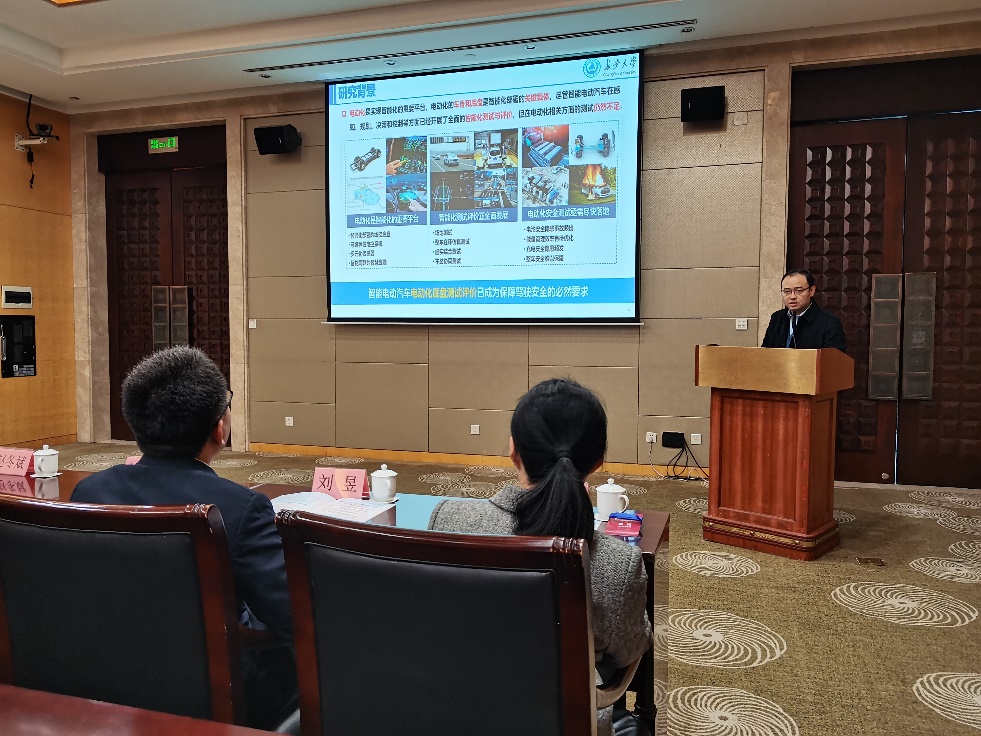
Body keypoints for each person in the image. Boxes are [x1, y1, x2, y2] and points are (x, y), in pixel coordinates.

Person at [71, 346, 296, 730]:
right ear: (220, 429)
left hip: (102, 675)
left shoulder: (89, 492)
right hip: (216, 690)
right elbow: (293, 615)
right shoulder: (239, 508)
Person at [428, 378, 651, 736]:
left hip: (455, 709)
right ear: (598, 462)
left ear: (513, 450)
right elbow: (628, 650)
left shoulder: (448, 520)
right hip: (565, 720)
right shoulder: (617, 563)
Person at [762, 269, 846, 351]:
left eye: (799, 291)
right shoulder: (777, 318)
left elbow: (834, 357)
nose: (792, 297)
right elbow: (764, 352)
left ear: (811, 291)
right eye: (787, 291)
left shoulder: (829, 322)